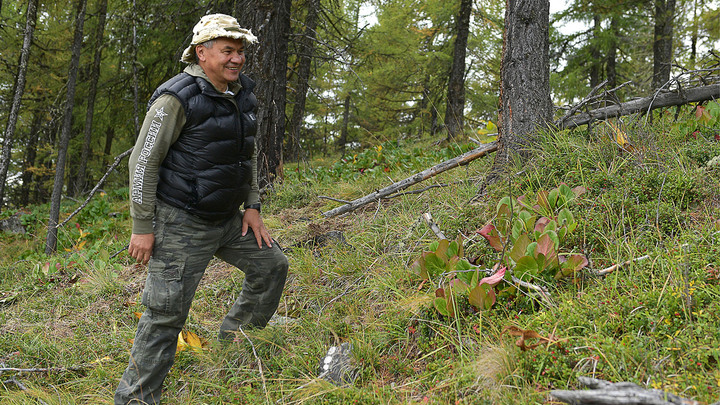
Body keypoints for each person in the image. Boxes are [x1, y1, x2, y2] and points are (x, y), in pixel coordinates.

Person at [115, 14, 289, 405]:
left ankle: (234, 344)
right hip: (180, 222)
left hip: (229, 220)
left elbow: (246, 154)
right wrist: (143, 226)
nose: (237, 59)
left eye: (240, 51)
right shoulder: (174, 98)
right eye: (228, 51)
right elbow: (142, 162)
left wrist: (253, 205)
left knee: (272, 266)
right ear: (202, 52)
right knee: (165, 316)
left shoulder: (244, 93)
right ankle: (135, 399)